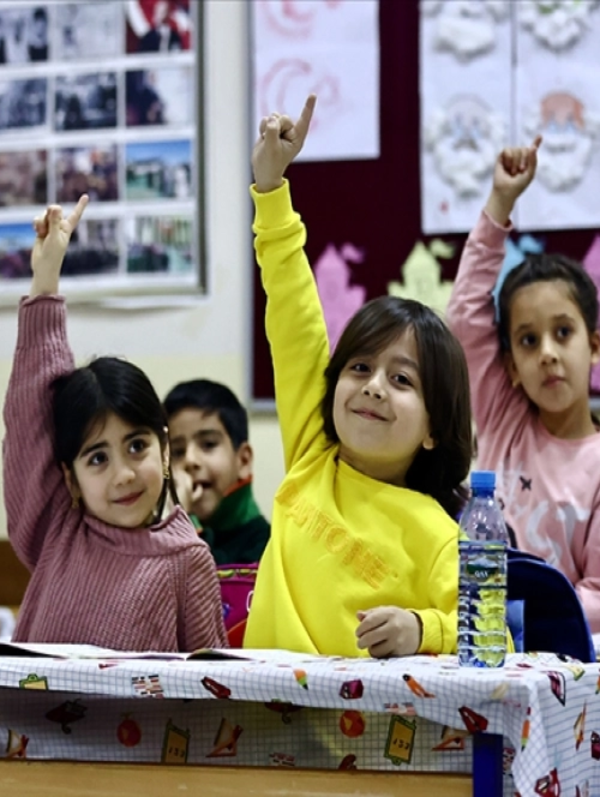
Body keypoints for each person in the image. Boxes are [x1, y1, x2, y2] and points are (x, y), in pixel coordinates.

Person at [243, 96, 473, 658]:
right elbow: (294, 315)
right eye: (361, 367)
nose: (373, 386)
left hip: (359, 743)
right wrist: (272, 189)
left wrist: (422, 630)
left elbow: (491, 636)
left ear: (434, 429)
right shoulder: (312, 454)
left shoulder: (439, 534)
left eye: (403, 380)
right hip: (256, 728)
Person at [445, 137, 600, 634]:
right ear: (511, 365)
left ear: (595, 345)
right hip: (478, 641)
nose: (548, 354)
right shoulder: (502, 414)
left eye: (563, 333)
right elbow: (463, 317)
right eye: (528, 340)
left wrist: (518, 618)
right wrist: (500, 203)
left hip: (557, 662)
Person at [3, 196, 226, 652]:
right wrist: (45, 281)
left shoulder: (187, 560)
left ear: (165, 451)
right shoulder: (57, 528)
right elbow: (31, 419)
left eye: (137, 447)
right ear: (70, 477)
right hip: (24, 726)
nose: (123, 474)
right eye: (98, 458)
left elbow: (210, 696)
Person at [164, 380, 270, 565]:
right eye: (178, 451)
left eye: (208, 444)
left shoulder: (269, 546)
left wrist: (183, 524)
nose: (190, 460)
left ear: (243, 460)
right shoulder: (157, 536)